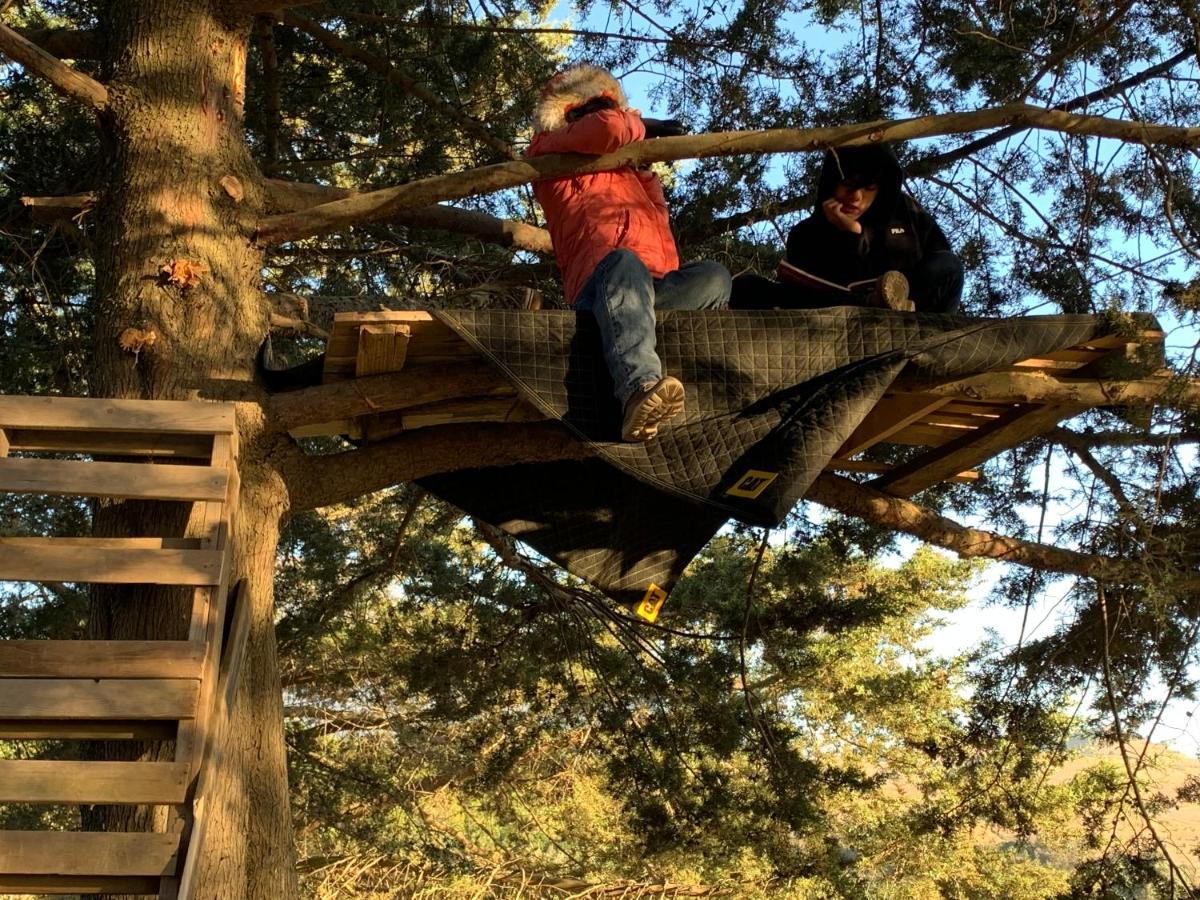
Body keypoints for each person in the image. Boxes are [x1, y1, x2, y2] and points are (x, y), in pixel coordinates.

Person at [528, 65, 732, 442]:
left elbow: (658, 223)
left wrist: (641, 162)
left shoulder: (630, 168)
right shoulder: (546, 151)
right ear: (566, 115)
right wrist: (641, 125)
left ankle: (695, 377)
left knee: (714, 277)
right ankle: (640, 390)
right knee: (624, 260)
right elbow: (607, 129)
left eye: (608, 104)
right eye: (592, 107)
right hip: (603, 284)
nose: (606, 113)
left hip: (653, 289)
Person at [730, 144, 964, 314]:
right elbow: (804, 290)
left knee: (947, 265)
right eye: (849, 186)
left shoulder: (907, 214)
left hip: (910, 311)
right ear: (832, 183)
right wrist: (850, 236)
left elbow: (942, 270)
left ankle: (897, 312)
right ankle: (871, 306)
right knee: (747, 287)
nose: (856, 197)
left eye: (868, 188)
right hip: (835, 314)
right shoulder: (806, 234)